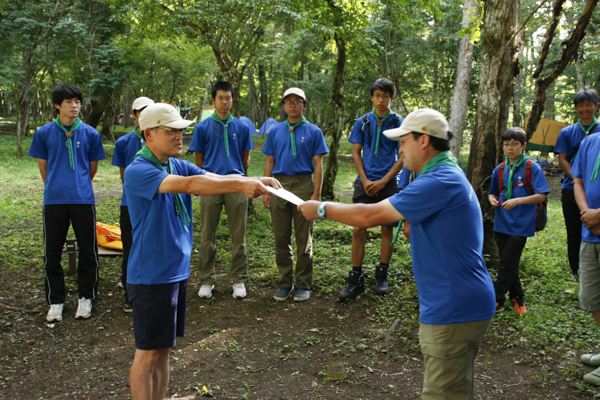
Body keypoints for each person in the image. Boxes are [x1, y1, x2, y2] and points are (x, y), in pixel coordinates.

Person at [298, 109, 495, 399]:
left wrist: (322, 209)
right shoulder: (447, 171)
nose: (399, 148)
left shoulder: (439, 180)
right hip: (457, 303)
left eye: (403, 140)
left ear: (424, 141)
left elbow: (371, 214)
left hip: (454, 308)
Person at [124, 103, 279, 400]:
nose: (180, 135)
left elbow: (211, 177)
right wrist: (243, 184)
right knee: (147, 355)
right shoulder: (139, 170)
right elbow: (192, 184)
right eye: (172, 130)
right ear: (149, 133)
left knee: (164, 351)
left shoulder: (174, 163)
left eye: (182, 130)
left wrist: (252, 180)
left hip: (175, 271)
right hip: (151, 276)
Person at [28, 83, 106, 322]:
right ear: (57, 105)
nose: (75, 106)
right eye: (69, 102)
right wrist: (57, 186)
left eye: (77, 102)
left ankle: (86, 296)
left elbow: (92, 168)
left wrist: (78, 185)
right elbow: (44, 168)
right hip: (54, 201)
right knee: (52, 252)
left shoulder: (91, 134)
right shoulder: (44, 133)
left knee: (88, 249)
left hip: (83, 200)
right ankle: (56, 301)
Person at [261, 88, 329, 302]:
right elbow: (270, 160)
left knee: (303, 237)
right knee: (281, 236)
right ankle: (284, 282)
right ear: (283, 106)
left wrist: (316, 192)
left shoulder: (313, 131)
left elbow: (318, 163)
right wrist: (266, 189)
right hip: (279, 184)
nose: (292, 105)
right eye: (288, 101)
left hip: (303, 184)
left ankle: (303, 283)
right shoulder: (275, 131)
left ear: (304, 105)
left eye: (297, 101)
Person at [189, 82, 254, 299]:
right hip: (210, 184)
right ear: (214, 100)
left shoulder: (242, 127)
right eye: (220, 98)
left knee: (239, 235)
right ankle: (206, 280)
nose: (225, 102)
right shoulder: (202, 127)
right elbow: (198, 162)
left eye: (228, 98)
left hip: (236, 184)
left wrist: (239, 179)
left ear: (233, 99)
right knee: (207, 233)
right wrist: (203, 183)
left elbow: (246, 158)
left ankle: (239, 280)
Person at [341, 78, 404, 300]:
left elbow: (403, 155)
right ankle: (355, 277)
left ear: (392, 98)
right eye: (377, 95)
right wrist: (365, 180)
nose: (380, 100)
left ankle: (382, 275)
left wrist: (385, 181)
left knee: (387, 229)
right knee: (359, 228)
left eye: (385, 96)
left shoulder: (398, 122)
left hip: (388, 183)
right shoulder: (363, 122)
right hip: (364, 183)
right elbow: (356, 152)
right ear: (372, 97)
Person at [488, 127, 549, 314]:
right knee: (509, 262)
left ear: (523, 145)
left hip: (522, 223)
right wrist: (492, 200)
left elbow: (541, 195)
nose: (510, 148)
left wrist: (517, 201)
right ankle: (517, 298)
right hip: (502, 222)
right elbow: (492, 192)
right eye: (506, 144)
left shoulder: (531, 167)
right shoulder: (500, 169)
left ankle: (495, 300)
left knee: (507, 262)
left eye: (514, 144)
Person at [111, 96, 154, 312]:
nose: (145, 115)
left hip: (155, 202)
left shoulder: (158, 138)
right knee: (130, 248)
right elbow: (124, 176)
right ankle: (130, 294)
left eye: (149, 111)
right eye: (140, 111)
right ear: (134, 115)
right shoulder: (124, 142)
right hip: (130, 203)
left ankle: (152, 291)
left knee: (153, 245)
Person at [554, 89, 600, 280]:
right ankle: (576, 268)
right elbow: (562, 159)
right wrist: (575, 177)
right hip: (571, 188)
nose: (585, 109)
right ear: (576, 108)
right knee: (574, 228)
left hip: (594, 187)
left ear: (596, 106)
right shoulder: (567, 132)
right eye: (580, 105)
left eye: (588, 104)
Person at [571, 128, 600, 385]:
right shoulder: (590, 142)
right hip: (590, 232)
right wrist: (587, 214)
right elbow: (578, 181)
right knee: (591, 297)